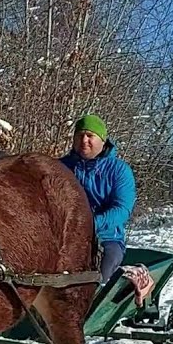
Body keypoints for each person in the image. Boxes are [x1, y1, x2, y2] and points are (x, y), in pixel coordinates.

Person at [60, 114, 136, 284]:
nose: (84, 140)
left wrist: (91, 224)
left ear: (102, 140)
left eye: (90, 136)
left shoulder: (119, 170)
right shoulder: (61, 167)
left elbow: (122, 209)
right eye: (79, 135)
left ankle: (97, 300)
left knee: (101, 272)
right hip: (64, 235)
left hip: (107, 238)